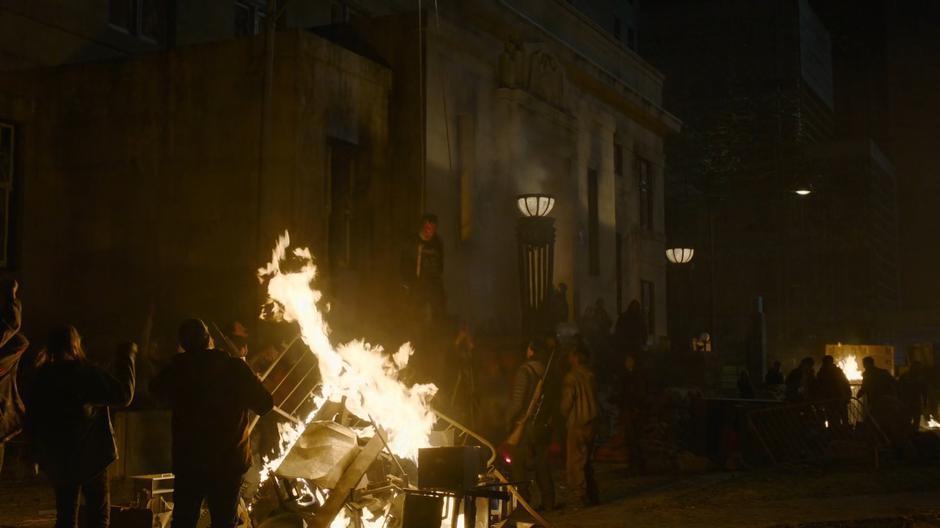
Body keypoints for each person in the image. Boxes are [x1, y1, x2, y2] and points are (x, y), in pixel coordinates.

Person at [151, 319, 273, 528]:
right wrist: (246, 373)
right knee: (223, 523)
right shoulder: (234, 368)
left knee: (183, 522)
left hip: (189, 460)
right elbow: (265, 404)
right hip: (227, 462)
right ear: (209, 339)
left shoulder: (178, 370)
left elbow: (155, 390)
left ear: (183, 344)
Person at [24, 326, 136, 528]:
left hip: (59, 459)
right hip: (92, 457)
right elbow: (123, 396)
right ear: (75, 344)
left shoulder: (42, 378)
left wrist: (33, 454)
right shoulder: (85, 374)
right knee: (98, 517)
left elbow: (32, 419)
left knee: (65, 516)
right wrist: (127, 357)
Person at [505, 338, 554, 511]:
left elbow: (518, 403)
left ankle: (523, 502)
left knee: (517, 463)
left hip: (526, 426)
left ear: (531, 351)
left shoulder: (524, 371)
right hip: (542, 424)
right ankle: (549, 501)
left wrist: (509, 421)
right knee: (542, 463)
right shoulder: (546, 372)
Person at [559, 340, 599, 508]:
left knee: (575, 464)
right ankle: (593, 494)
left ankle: (579, 497)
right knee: (586, 461)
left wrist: (561, 415)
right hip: (592, 423)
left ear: (575, 358)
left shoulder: (572, 378)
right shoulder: (591, 376)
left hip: (577, 424)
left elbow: (567, 403)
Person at [400, 213, 445, 324]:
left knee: (436, 314)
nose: (429, 231)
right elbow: (405, 264)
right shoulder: (412, 242)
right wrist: (407, 283)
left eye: (432, 229)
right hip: (416, 285)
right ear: (423, 227)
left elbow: (440, 264)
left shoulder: (437, 243)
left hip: (433, 285)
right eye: (427, 228)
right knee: (415, 315)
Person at [616, 354, 648, 473]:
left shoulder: (636, 377)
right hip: (628, 408)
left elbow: (638, 393)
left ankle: (637, 464)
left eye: (629, 360)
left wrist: (636, 407)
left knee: (635, 437)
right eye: (626, 360)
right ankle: (634, 463)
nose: (627, 363)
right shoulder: (625, 376)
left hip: (633, 409)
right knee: (630, 438)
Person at [813, 355, 852, 427]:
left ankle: (836, 433)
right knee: (842, 417)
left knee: (834, 418)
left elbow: (819, 386)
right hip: (838, 398)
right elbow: (845, 383)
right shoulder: (836, 371)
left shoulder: (822, 372)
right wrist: (848, 394)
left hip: (831, 399)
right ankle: (843, 432)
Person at [898, 361, 928, 434]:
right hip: (907, 401)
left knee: (915, 419)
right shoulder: (905, 377)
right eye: (917, 368)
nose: (918, 369)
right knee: (908, 419)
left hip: (914, 401)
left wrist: (924, 402)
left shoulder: (920, 378)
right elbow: (899, 389)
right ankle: (909, 434)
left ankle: (913, 433)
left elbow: (924, 391)